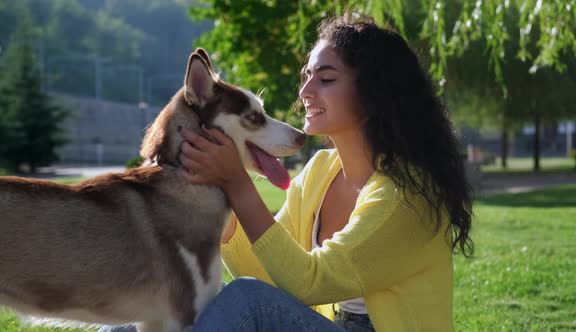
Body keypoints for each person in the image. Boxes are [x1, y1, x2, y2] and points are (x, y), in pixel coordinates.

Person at [100, 12, 473, 332]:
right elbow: (272, 276)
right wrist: (222, 204)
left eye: (325, 79)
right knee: (144, 313)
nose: (306, 90)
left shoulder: (404, 197)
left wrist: (238, 183)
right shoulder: (321, 171)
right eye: (306, 75)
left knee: (249, 301)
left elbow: (309, 282)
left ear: (376, 92)